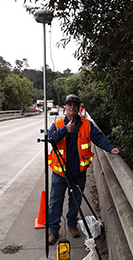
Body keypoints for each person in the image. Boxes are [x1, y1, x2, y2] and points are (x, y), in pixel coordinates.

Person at [48, 94, 120, 245]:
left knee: (76, 200)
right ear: (65, 107)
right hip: (60, 172)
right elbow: (51, 139)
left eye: (75, 104)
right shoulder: (59, 124)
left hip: (78, 172)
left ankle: (72, 225)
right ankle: (53, 230)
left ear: (78, 107)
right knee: (55, 201)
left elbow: (98, 138)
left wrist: (110, 147)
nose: (72, 107)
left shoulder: (87, 124)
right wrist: (64, 131)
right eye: (69, 104)